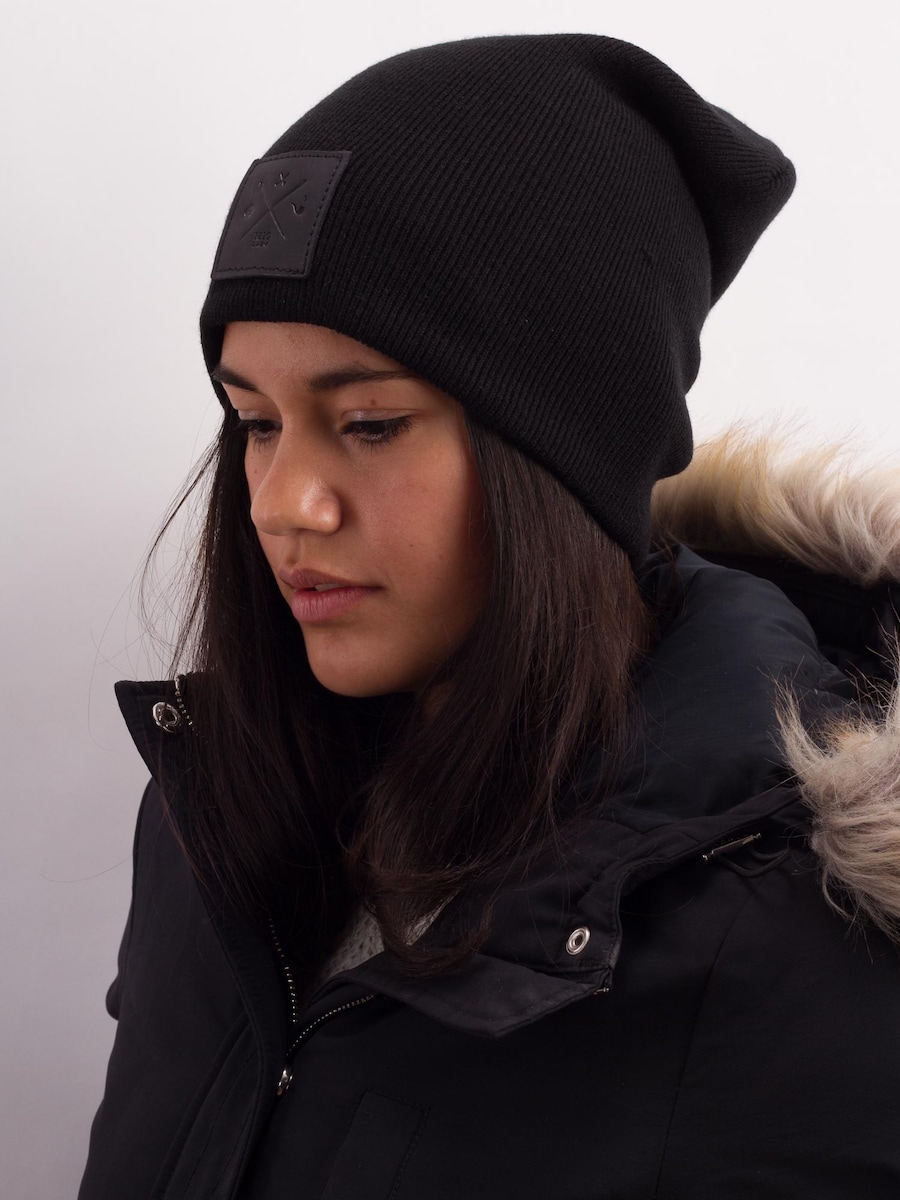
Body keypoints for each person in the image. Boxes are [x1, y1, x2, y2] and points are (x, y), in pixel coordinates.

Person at [79, 33, 900, 1200]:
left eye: (370, 424)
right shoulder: (213, 809)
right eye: (254, 422)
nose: (282, 503)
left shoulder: (798, 936)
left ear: (567, 458)